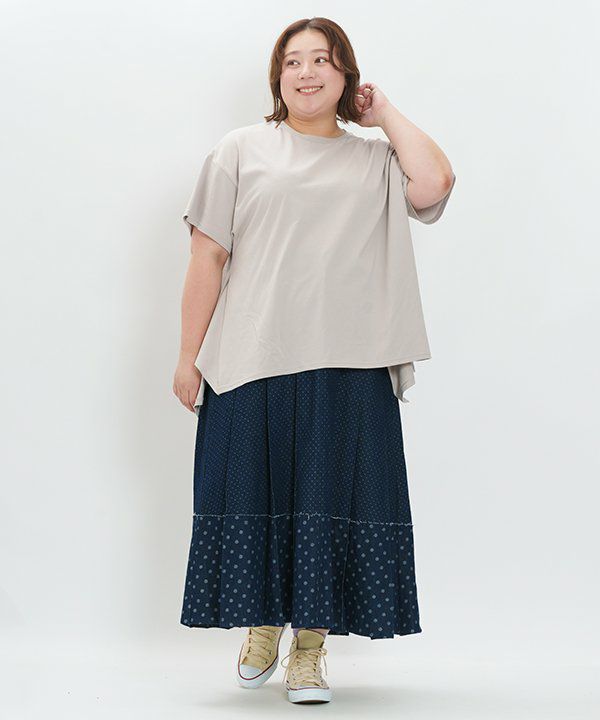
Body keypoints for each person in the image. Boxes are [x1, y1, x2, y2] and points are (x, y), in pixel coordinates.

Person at [173, 16, 455, 706]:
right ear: (278, 77)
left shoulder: (374, 159)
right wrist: (187, 357)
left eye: (323, 61)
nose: (307, 72)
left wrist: (383, 114)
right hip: (251, 354)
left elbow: (435, 182)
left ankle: (309, 651)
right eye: (294, 61)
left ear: (345, 75)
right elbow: (208, 256)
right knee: (254, 494)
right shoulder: (241, 149)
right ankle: (263, 626)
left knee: (331, 502)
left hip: (351, 359)